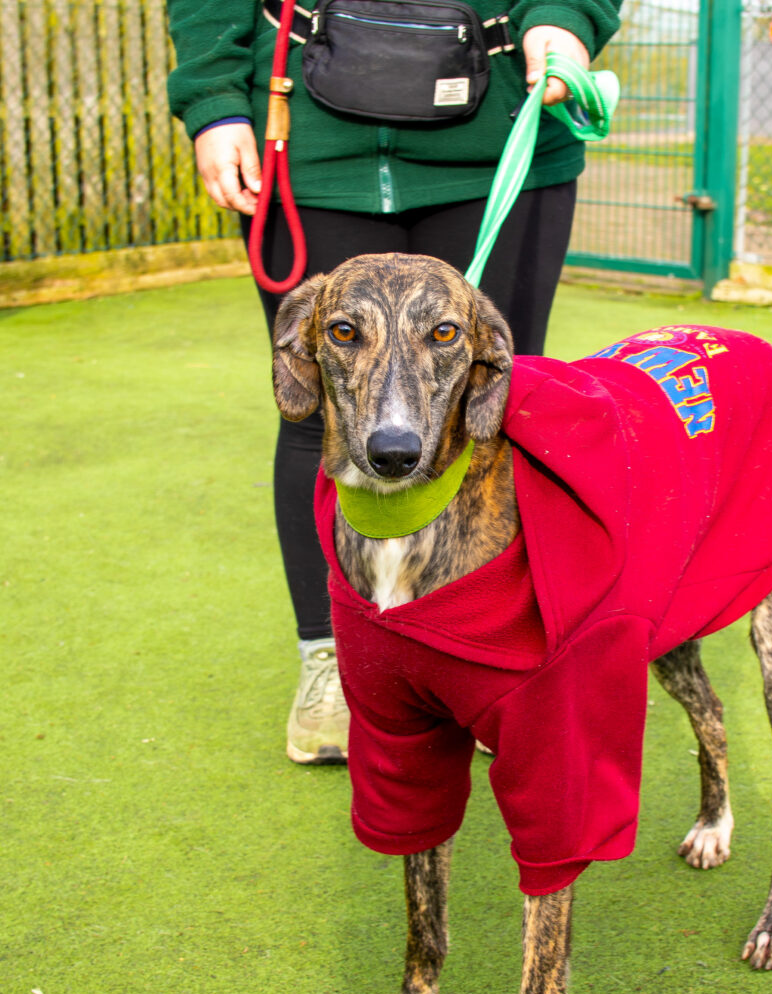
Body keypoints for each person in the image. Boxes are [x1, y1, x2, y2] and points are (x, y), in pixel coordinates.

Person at [167, 0, 620, 764]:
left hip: (498, 129)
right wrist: (212, 101)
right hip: (309, 144)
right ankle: (334, 665)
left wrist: (563, 20)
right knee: (316, 415)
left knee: (493, 410)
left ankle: (488, 653)